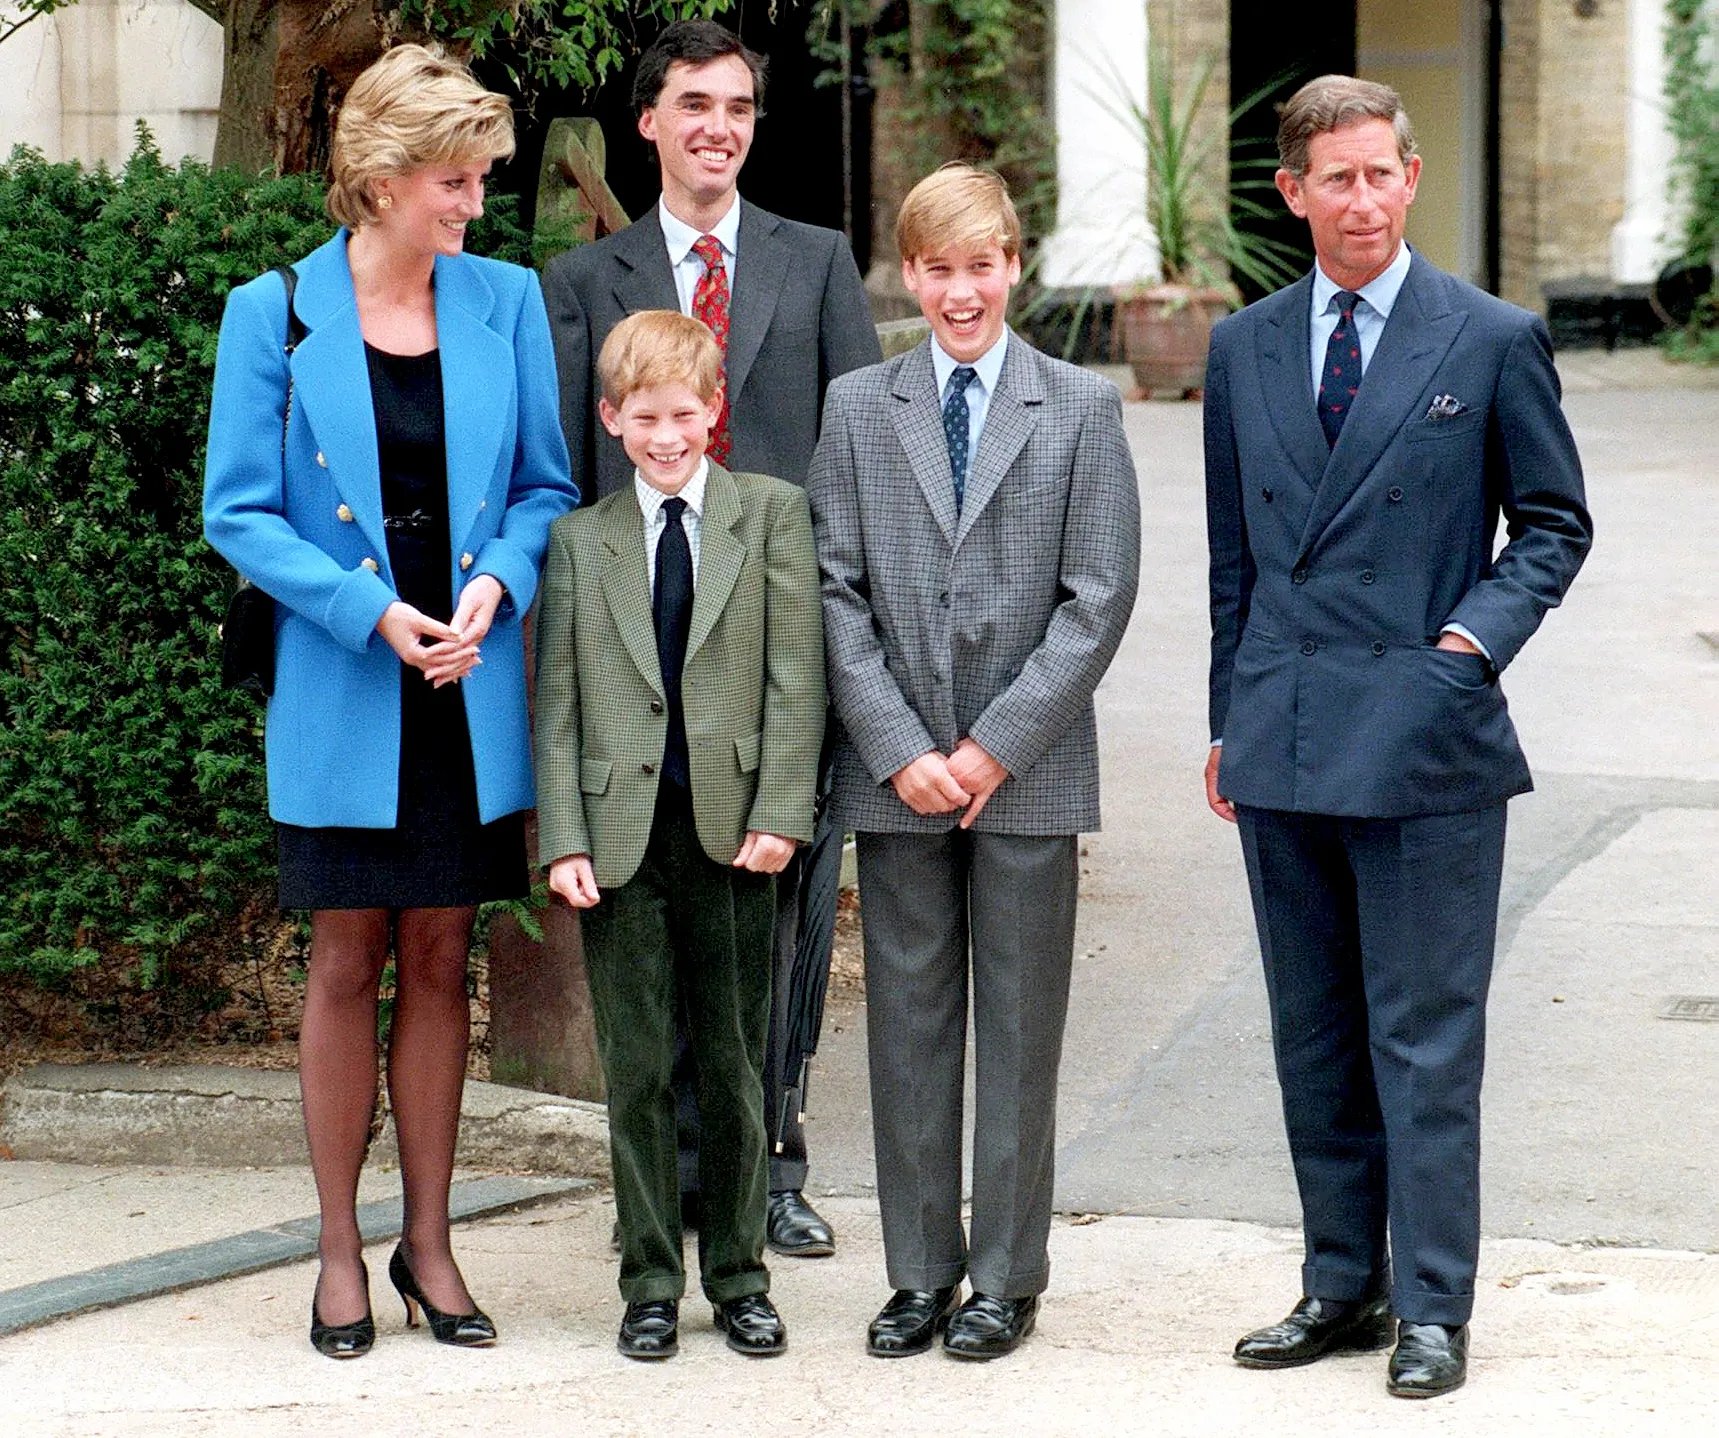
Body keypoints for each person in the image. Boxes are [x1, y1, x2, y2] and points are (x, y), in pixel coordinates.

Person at [1203, 76, 1591, 1399]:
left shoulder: (1485, 338)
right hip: (1284, 727)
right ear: (1291, 192)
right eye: (1336, 178)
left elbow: (1550, 524)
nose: (1360, 199)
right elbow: (1231, 559)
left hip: (1423, 739)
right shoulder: (1241, 346)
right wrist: (1225, 716)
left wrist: (1462, 649)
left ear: (1409, 178)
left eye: (1381, 173)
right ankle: (1336, 1282)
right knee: (1310, 1025)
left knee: (1420, 1031)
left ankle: (1431, 1299)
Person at [202, 44, 576, 1358]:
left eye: (478, 179)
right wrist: (370, 612)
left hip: (466, 685)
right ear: (375, 180)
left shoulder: (509, 301)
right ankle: (337, 1249)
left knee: (439, 954)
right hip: (345, 679)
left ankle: (430, 1240)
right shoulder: (274, 313)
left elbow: (543, 484)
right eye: (452, 181)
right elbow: (236, 510)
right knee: (345, 954)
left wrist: (498, 586)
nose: (474, 203)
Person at [543, 18, 880, 1258]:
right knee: (655, 914)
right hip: (641, 648)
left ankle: (770, 1163)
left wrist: (850, 648)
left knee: (779, 925)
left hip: (779, 655)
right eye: (693, 104)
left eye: (737, 107)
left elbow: (861, 458)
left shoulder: (817, 260)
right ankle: (678, 1176)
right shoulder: (583, 284)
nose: (717, 128)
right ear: (649, 122)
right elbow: (573, 476)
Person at [808, 163, 1141, 1361]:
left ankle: (1005, 1274)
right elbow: (833, 591)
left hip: (1028, 770)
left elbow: (1098, 596)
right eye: (938, 269)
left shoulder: (1081, 407)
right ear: (909, 274)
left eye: (981, 266)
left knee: (1017, 1025)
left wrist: (995, 745)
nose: (961, 291)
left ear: (1015, 265)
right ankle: (918, 1273)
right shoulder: (859, 408)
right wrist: (902, 750)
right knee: (906, 1025)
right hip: (897, 777)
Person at [533, 309, 824, 1361]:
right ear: (613, 419)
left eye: (684, 414)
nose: (667, 435)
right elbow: (556, 702)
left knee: (741, 1063)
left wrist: (784, 811)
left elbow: (799, 679)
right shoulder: (580, 540)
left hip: (735, 832)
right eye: (646, 416)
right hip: (618, 843)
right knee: (639, 1066)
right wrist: (562, 835)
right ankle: (650, 1276)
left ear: (717, 412)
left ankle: (741, 1272)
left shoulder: (773, 517)